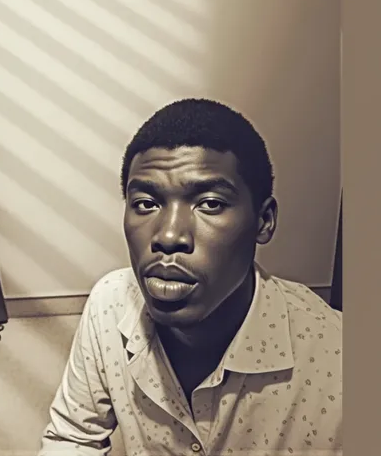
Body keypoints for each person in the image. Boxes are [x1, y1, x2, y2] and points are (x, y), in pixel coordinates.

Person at [39, 98, 342, 456]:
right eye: (146, 204)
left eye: (210, 203)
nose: (168, 236)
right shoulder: (110, 304)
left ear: (263, 221)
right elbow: (73, 437)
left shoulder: (339, 359)